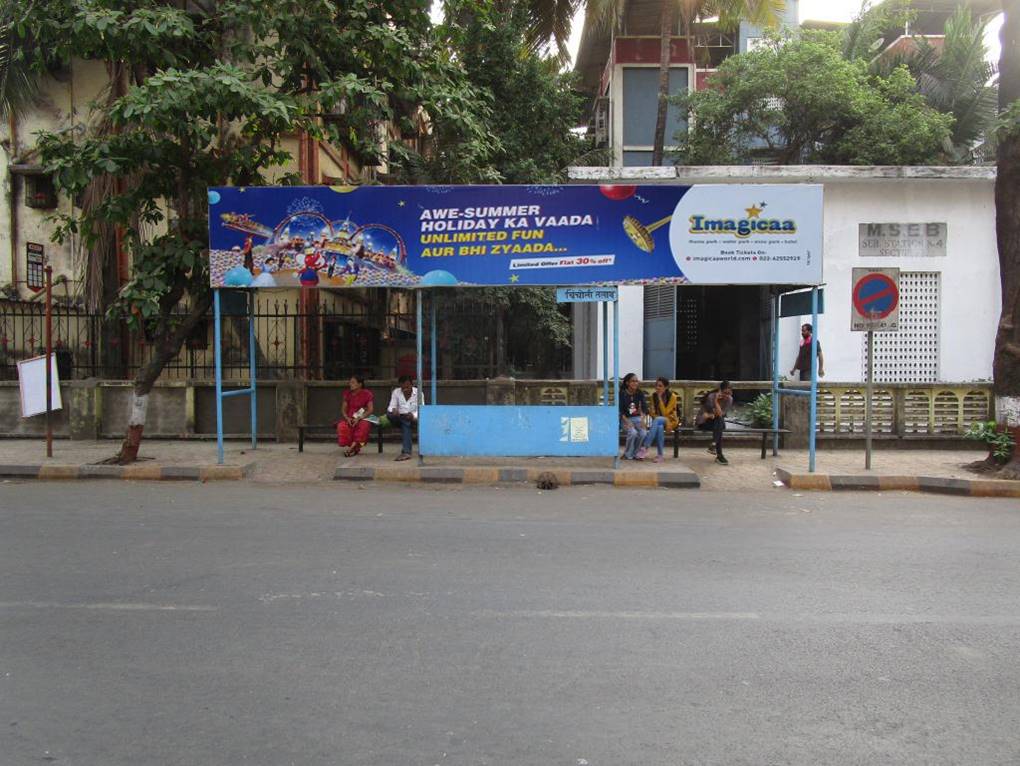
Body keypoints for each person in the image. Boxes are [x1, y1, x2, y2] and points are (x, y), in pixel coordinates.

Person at [697, 380, 733, 465]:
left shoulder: (730, 399)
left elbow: (720, 414)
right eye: (725, 393)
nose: (726, 395)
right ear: (720, 390)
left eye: (729, 393)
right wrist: (716, 401)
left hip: (716, 422)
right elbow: (716, 414)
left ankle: (714, 445)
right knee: (719, 425)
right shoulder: (711, 397)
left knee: (719, 423)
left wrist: (713, 414)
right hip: (704, 422)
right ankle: (719, 455)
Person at [337, 374, 374, 457]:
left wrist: (359, 418)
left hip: (363, 417)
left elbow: (370, 410)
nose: (350, 384)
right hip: (350, 417)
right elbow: (343, 410)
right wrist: (347, 418)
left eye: (353, 382)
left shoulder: (367, 394)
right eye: (350, 382)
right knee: (342, 426)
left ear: (360, 384)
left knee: (364, 426)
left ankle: (351, 449)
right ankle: (354, 449)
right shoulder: (347, 394)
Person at [644, 376, 679, 463]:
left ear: (666, 387)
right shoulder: (653, 396)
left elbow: (666, 413)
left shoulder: (672, 397)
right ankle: (660, 455)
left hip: (670, 421)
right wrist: (656, 416)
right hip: (658, 421)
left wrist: (660, 399)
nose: (657, 388)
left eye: (660, 386)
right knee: (659, 426)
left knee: (658, 420)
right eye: (656, 385)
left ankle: (645, 446)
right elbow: (652, 413)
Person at [386, 375, 419, 461]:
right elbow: (391, 407)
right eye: (403, 388)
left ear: (412, 385)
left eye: (407, 387)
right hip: (398, 418)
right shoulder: (396, 392)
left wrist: (413, 416)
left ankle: (406, 452)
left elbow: (422, 410)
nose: (405, 389)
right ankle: (406, 452)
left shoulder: (419, 393)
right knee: (389, 414)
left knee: (406, 423)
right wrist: (394, 410)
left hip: (412, 419)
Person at [619, 372, 649, 460]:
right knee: (633, 432)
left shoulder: (639, 393)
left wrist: (643, 420)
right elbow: (620, 411)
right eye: (633, 381)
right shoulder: (622, 394)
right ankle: (627, 454)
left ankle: (636, 453)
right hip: (625, 419)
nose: (635, 383)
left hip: (637, 418)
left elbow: (644, 408)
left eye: (636, 381)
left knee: (643, 433)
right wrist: (627, 422)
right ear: (627, 383)